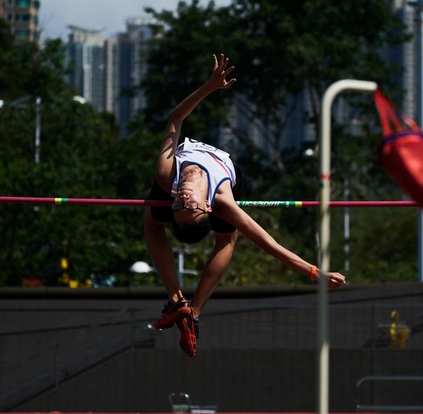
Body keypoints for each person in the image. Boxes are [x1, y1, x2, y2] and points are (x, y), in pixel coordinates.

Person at [143, 54, 346, 357]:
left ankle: (183, 306)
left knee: (159, 220)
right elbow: (269, 243)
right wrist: (316, 273)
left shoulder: (166, 175)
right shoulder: (222, 202)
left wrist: (208, 88)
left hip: (198, 177)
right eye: (190, 205)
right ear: (207, 208)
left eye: (179, 205)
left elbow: (175, 119)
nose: (183, 198)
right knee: (222, 237)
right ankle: (187, 308)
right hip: (227, 173)